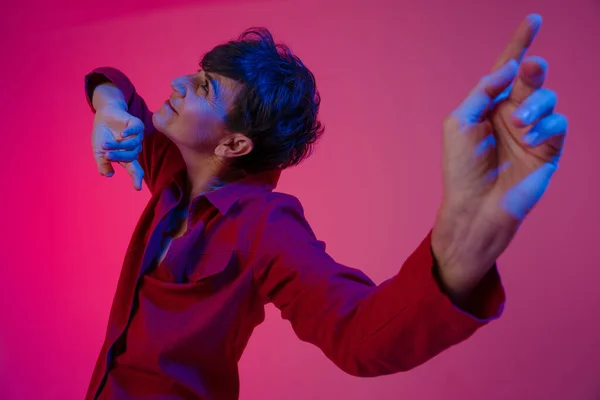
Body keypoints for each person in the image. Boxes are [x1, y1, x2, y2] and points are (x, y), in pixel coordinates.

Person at [84, 13, 567, 400]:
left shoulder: (266, 225)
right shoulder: (169, 164)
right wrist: (109, 108)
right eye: (200, 73)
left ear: (233, 143)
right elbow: (115, 84)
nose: (179, 81)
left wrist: (463, 239)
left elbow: (357, 333)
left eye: (204, 87)